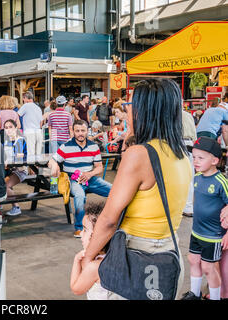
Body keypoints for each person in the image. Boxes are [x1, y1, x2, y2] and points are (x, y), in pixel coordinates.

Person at [80, 78, 192, 300]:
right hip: (169, 254)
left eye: (130, 106)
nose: (127, 111)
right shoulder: (182, 154)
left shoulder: (140, 155)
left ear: (143, 110)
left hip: (135, 258)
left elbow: (109, 219)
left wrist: (87, 259)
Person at [180, 137, 228, 300]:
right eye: (194, 157)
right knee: (193, 260)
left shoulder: (221, 182)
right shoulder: (197, 178)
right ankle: (194, 293)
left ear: (215, 160)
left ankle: (216, 297)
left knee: (209, 268)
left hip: (213, 236)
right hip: (196, 231)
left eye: (201, 158)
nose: (195, 161)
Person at [48, 120, 112, 238]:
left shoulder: (93, 146)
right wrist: (55, 164)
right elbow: (51, 161)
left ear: (87, 131)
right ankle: (79, 228)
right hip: (73, 179)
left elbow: (99, 168)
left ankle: (113, 220)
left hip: (90, 178)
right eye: (77, 131)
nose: (80, 133)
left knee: (115, 191)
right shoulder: (66, 146)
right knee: (79, 196)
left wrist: (89, 174)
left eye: (83, 130)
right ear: (73, 131)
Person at [70, 202, 109, 299]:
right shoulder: (113, 256)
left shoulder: (95, 267)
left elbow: (76, 289)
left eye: (85, 230)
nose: (81, 234)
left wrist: (76, 260)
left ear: (97, 236)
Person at [3, 119, 28, 216]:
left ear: (15, 128)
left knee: (4, 186)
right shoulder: (6, 141)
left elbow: (19, 157)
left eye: (10, 127)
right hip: (9, 171)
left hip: (20, 170)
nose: (8, 130)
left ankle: (16, 207)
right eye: (6, 128)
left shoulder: (20, 140)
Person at [17, 91, 43, 162]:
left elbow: (17, 115)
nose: (23, 100)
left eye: (23, 99)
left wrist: (18, 125)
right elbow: (41, 122)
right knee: (38, 155)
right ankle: (38, 171)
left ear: (26, 98)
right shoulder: (38, 108)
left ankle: (30, 172)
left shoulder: (26, 105)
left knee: (31, 155)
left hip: (29, 131)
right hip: (38, 131)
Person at [182, 108, 198, 218]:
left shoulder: (169, 114)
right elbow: (195, 134)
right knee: (190, 177)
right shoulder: (188, 115)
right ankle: (188, 207)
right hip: (190, 144)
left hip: (178, 143)